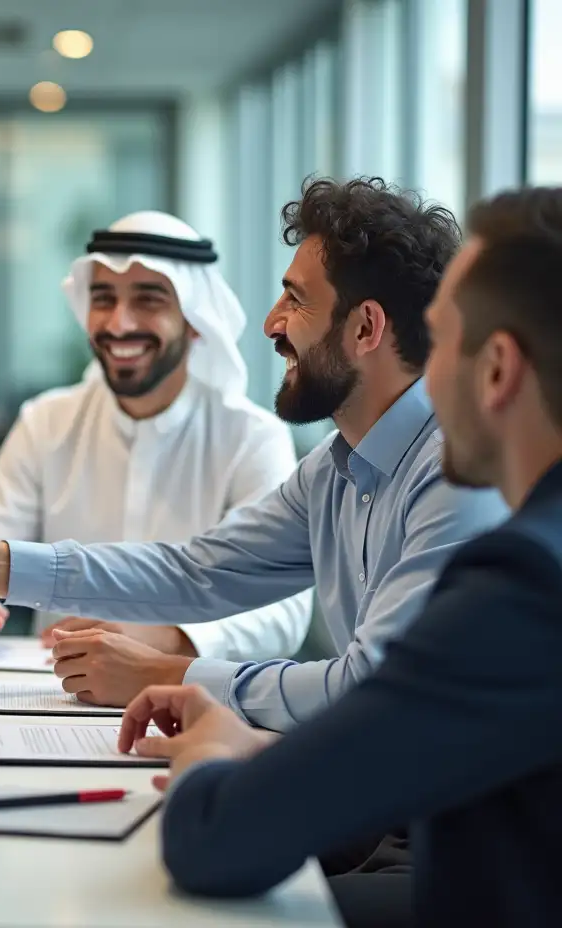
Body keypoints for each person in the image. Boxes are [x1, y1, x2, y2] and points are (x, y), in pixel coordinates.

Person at [0, 177, 508, 732]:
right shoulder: (335, 468)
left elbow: (371, 687)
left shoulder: (456, 472)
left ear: (365, 327)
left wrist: (168, 671)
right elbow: (196, 570)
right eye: (103, 300)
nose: (271, 323)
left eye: (296, 299)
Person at [116, 186, 562, 927]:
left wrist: (213, 761)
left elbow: (213, 842)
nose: (421, 368)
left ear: (497, 370)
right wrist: (254, 749)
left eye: (443, 337)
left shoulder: (525, 586)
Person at [0, 212, 313, 701]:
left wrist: (168, 641)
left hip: (197, 705)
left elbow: (281, 605)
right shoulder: (47, 421)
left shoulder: (251, 436)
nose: (119, 323)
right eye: (103, 300)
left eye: (148, 299)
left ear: (196, 321)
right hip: (49, 700)